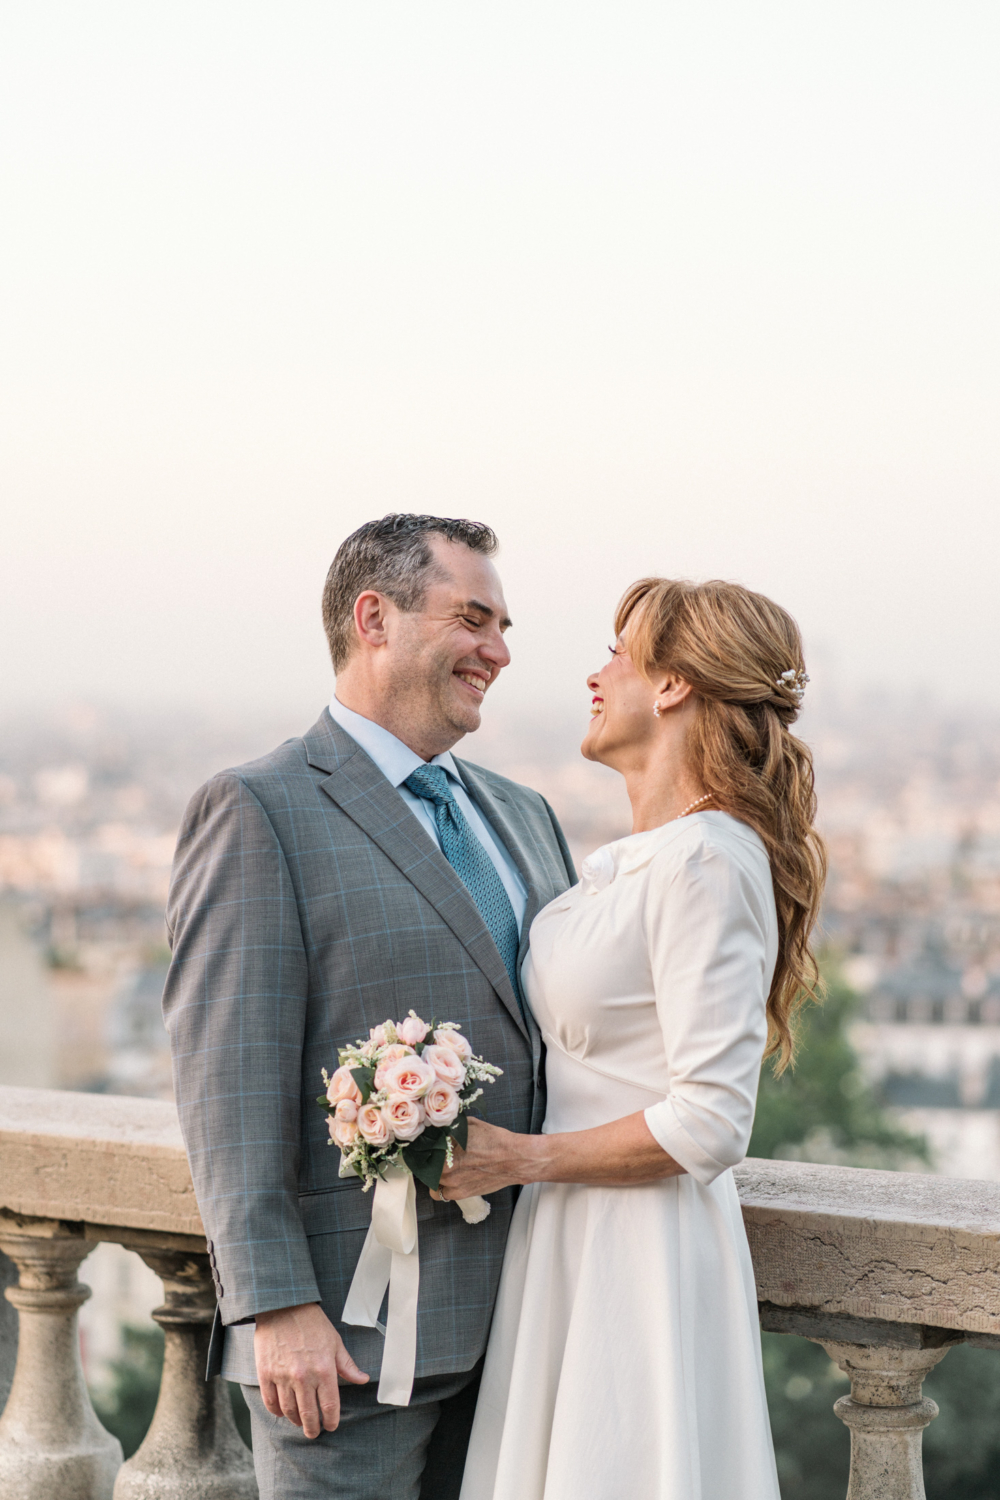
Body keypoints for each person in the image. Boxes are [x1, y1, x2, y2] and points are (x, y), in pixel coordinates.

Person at [162, 514, 577, 1500]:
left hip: (532, 1328)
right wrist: (275, 1307)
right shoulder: (259, 807)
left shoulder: (524, 814)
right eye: (473, 618)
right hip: (349, 1349)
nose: (499, 651)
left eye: (506, 626)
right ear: (373, 617)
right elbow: (230, 1082)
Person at [439, 576, 827, 1500]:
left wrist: (519, 1158)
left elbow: (709, 1121)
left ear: (674, 685)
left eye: (619, 652)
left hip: (636, 1252)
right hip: (575, 1233)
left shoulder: (705, 860)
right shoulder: (650, 854)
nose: (595, 673)